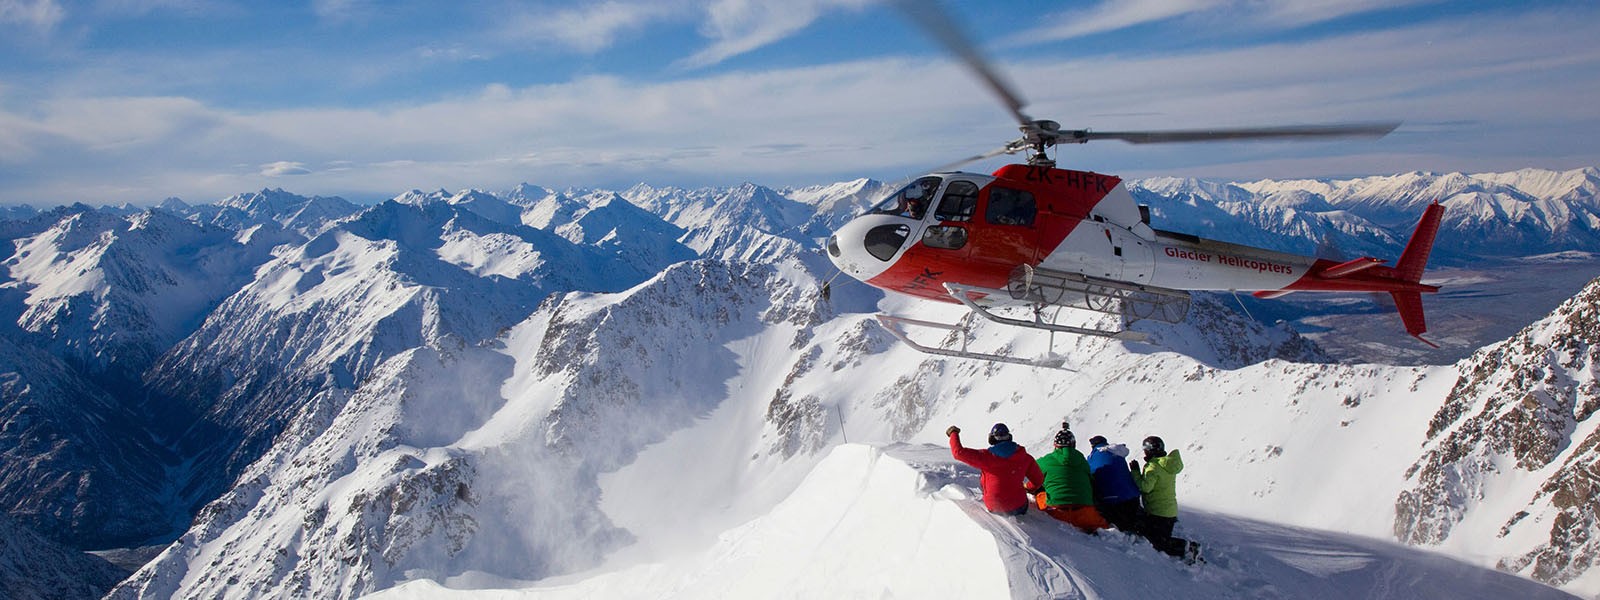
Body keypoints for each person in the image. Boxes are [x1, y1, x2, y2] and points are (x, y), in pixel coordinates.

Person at [947, 423, 1044, 516]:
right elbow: (1038, 480)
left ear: (992, 439)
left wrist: (953, 433)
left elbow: (958, 453)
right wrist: (1028, 488)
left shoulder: (986, 457)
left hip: (994, 507)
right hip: (1019, 507)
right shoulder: (1025, 457)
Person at [1130, 435, 1200, 562]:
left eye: (1145, 449)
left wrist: (1135, 472)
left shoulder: (1153, 466)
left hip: (1158, 512)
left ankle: (1189, 548)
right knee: (1155, 536)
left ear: (1151, 450)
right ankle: (1188, 548)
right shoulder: (1167, 464)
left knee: (1159, 543)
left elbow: (1146, 487)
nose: (1144, 452)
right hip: (1168, 510)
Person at [1029, 425, 1110, 533]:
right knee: (1105, 527)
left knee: (1040, 495)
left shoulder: (1045, 461)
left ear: (1055, 445)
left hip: (1057, 512)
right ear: (1073, 445)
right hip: (1084, 512)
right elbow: (1091, 480)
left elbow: (1031, 475)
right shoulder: (1082, 461)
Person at [1086, 435, 1143, 533]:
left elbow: (1090, 475)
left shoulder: (1092, 457)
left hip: (1113, 501)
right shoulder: (1117, 453)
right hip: (1133, 497)